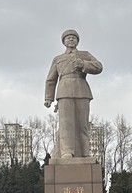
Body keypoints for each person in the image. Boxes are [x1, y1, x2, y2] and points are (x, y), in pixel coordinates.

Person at [44, 29, 103, 159]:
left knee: (83, 124)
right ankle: (67, 152)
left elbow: (99, 67)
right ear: (64, 42)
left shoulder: (84, 55)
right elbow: (51, 79)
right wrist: (48, 98)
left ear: (77, 41)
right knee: (66, 124)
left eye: (73, 38)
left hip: (82, 89)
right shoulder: (58, 59)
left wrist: (83, 64)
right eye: (68, 38)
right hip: (64, 91)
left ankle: (85, 151)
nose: (71, 39)